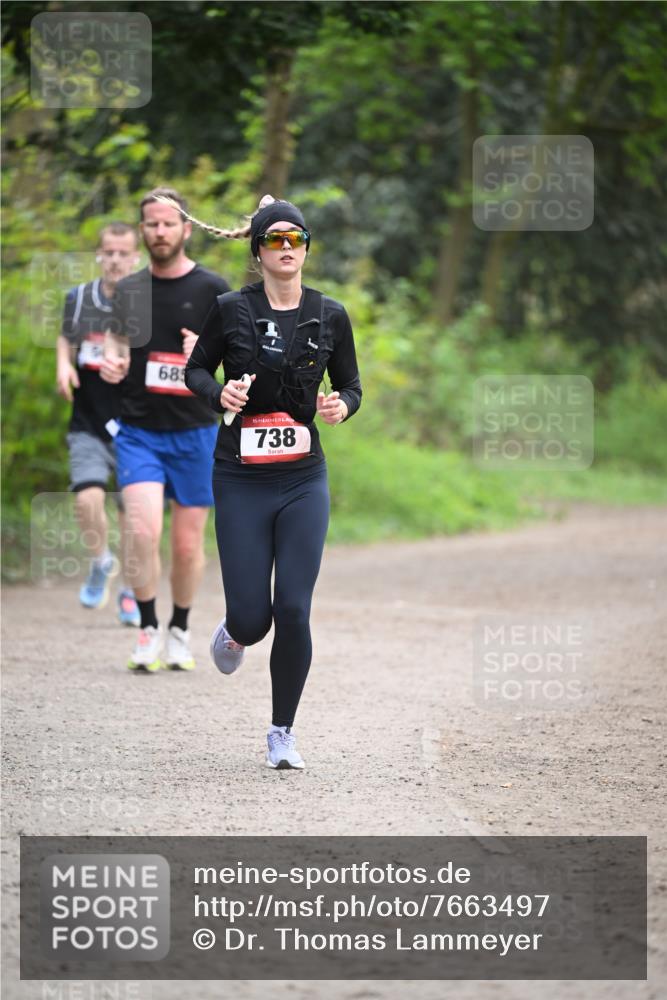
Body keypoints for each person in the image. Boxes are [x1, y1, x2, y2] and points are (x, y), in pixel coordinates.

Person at [184, 194, 362, 769]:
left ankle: (281, 732)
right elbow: (194, 371)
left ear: (307, 249)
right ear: (257, 251)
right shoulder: (230, 307)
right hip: (240, 476)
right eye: (274, 240)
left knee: (293, 608)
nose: (286, 249)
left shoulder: (329, 314)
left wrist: (343, 407)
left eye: (296, 239)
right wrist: (220, 394)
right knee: (254, 619)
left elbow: (352, 385)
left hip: (303, 479)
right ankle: (234, 630)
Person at [101, 187, 230, 672]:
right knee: (142, 529)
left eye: (168, 224)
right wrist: (113, 363)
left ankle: (179, 628)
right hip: (139, 432)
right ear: (143, 231)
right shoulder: (130, 290)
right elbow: (115, 346)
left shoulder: (212, 289)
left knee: (186, 544)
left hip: (196, 432)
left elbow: (238, 362)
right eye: (151, 224)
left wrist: (206, 352)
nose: (160, 231)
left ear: (186, 228)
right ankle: (147, 629)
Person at [57, 222, 141, 625]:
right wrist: (62, 367)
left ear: (135, 258)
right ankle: (100, 562)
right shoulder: (79, 298)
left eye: (123, 253)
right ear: (99, 255)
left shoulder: (148, 302)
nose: (115, 259)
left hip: (135, 427)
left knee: (132, 516)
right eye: (109, 252)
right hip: (88, 420)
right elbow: (66, 337)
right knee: (86, 498)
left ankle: (129, 589)